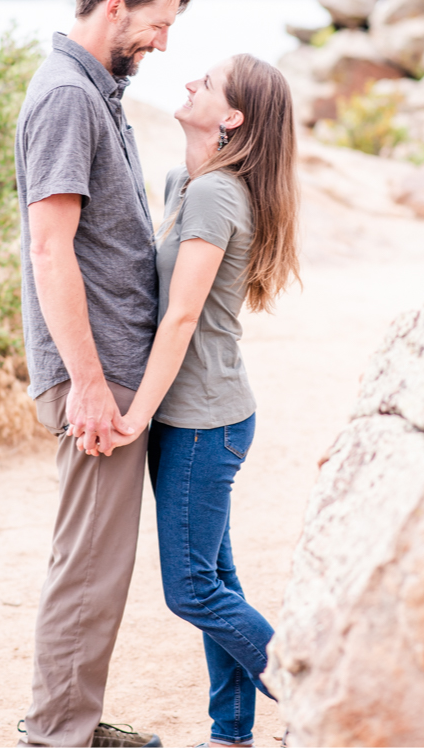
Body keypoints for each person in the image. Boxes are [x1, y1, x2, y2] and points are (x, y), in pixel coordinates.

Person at [16, 0, 191, 748]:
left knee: (98, 566)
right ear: (113, 6)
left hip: (116, 365)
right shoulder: (66, 98)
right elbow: (51, 250)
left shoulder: (95, 91)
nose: (162, 43)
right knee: (89, 568)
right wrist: (88, 383)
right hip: (100, 374)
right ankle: (58, 735)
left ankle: (71, 723)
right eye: (156, 24)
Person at [109, 55, 300, 748]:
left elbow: (181, 317)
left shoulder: (217, 194)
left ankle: (323, 698)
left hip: (202, 420)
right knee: (216, 580)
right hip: (197, 416)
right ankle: (231, 733)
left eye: (209, 82)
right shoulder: (187, 184)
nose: (190, 81)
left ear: (232, 117)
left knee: (191, 589)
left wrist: (135, 416)